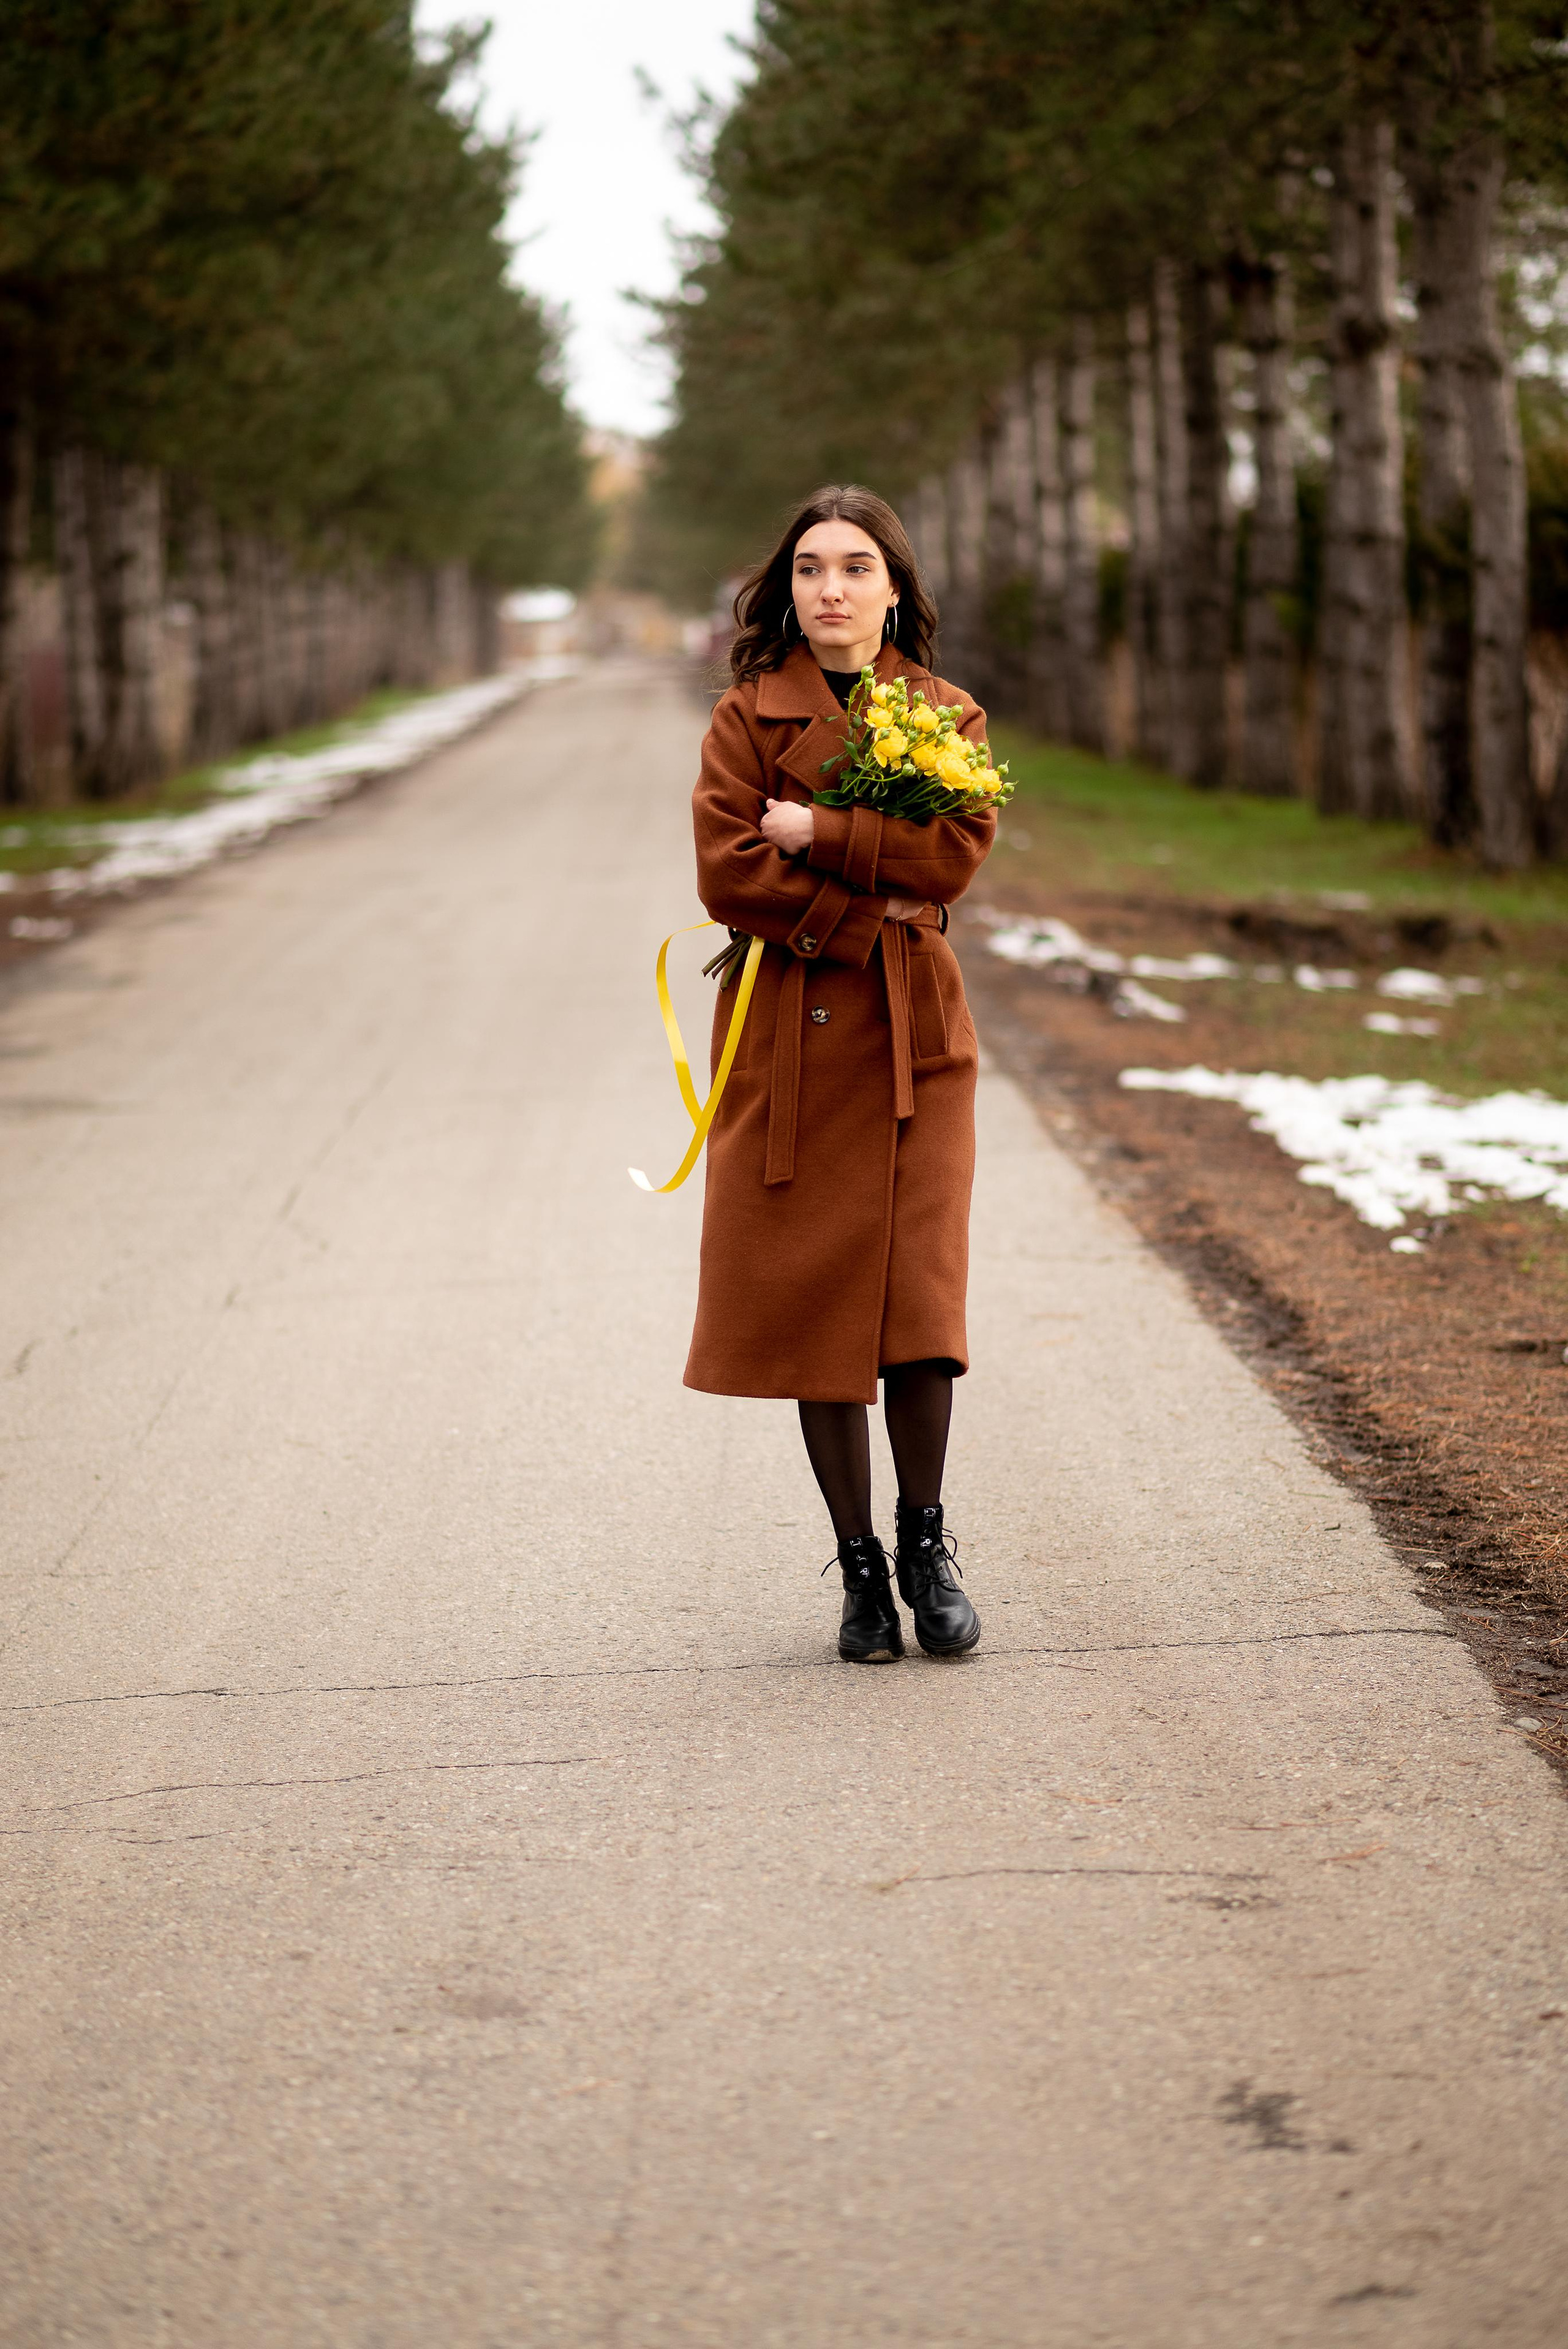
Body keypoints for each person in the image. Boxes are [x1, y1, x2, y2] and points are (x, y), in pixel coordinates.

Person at [684, 484, 996, 1663]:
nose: (831, 588)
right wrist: (870, 900)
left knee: (918, 1298)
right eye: (811, 568)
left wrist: (821, 836)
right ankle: (859, 1569)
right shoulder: (744, 718)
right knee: (821, 1300)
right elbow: (727, 875)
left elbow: (954, 855)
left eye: (856, 567)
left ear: (896, 587)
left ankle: (926, 1543)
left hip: (918, 1035)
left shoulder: (947, 716)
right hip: (794, 1031)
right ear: (787, 588)